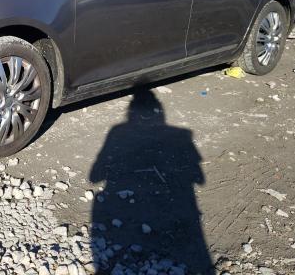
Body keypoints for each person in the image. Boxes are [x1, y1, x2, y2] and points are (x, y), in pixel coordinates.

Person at [89, 88, 213, 274]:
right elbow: (200, 178)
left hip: (125, 214)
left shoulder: (118, 131)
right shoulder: (182, 135)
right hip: (176, 210)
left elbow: (94, 176)